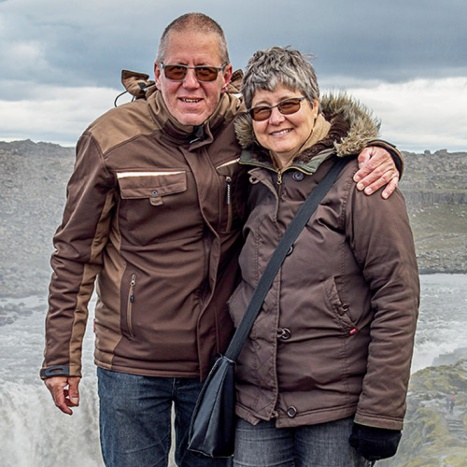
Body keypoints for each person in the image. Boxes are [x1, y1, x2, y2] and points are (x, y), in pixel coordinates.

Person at [40, 13, 402, 467]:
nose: (190, 84)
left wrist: (381, 152)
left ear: (227, 77)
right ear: (157, 72)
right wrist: (61, 358)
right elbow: (75, 253)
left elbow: (318, 129)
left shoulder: (249, 123)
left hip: (218, 361)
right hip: (132, 363)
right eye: (177, 70)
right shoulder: (109, 139)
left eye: (206, 72)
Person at [228, 46, 420, 466]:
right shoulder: (249, 179)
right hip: (257, 409)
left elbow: (397, 297)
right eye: (261, 110)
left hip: (336, 409)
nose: (276, 119)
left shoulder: (362, 181)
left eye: (289, 104)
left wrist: (381, 413)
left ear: (315, 105)